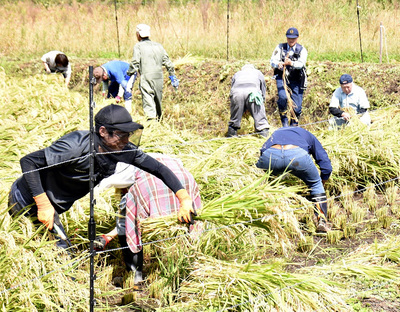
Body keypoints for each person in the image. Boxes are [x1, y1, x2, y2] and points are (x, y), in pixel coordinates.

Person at [8, 104, 197, 250]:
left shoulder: (121, 149)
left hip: (53, 206)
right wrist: (42, 204)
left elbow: (158, 168)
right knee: (59, 253)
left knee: (53, 249)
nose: (126, 141)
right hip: (27, 199)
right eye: (121, 135)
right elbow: (28, 162)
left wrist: (184, 199)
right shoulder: (74, 147)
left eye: (128, 135)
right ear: (103, 132)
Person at [94, 154, 202, 285]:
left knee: (130, 221)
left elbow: (127, 220)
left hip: (152, 184)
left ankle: (135, 276)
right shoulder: (158, 157)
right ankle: (190, 269)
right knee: (185, 219)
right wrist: (109, 236)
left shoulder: (121, 168)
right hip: (184, 182)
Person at [255, 127, 332, 233]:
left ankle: (265, 217)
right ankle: (322, 221)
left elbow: (263, 151)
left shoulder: (276, 133)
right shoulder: (308, 135)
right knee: (315, 184)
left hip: (271, 155)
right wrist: (323, 181)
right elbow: (325, 164)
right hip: (296, 156)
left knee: (267, 184)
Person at [127, 23, 179, 121]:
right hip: (159, 77)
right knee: (158, 101)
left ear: (138, 35)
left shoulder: (138, 46)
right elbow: (168, 62)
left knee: (148, 100)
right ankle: (159, 120)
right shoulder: (159, 46)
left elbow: (135, 62)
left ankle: (152, 122)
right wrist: (172, 76)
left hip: (146, 77)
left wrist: (129, 73)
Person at [270, 27, 308, 127]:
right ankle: (284, 120)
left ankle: (293, 124)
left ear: (297, 38)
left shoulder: (302, 50)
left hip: (296, 79)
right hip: (282, 78)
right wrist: (278, 64)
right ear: (286, 38)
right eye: (289, 38)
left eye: (293, 38)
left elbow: (301, 64)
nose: (291, 40)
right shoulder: (280, 47)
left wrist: (291, 63)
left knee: (297, 107)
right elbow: (272, 60)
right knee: (282, 97)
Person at [226, 64, 270, 137]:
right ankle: (263, 136)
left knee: (234, 121)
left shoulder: (237, 74)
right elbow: (263, 88)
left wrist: (237, 107)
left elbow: (232, 90)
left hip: (237, 93)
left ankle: (231, 135)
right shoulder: (258, 73)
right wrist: (262, 101)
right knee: (261, 121)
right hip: (253, 93)